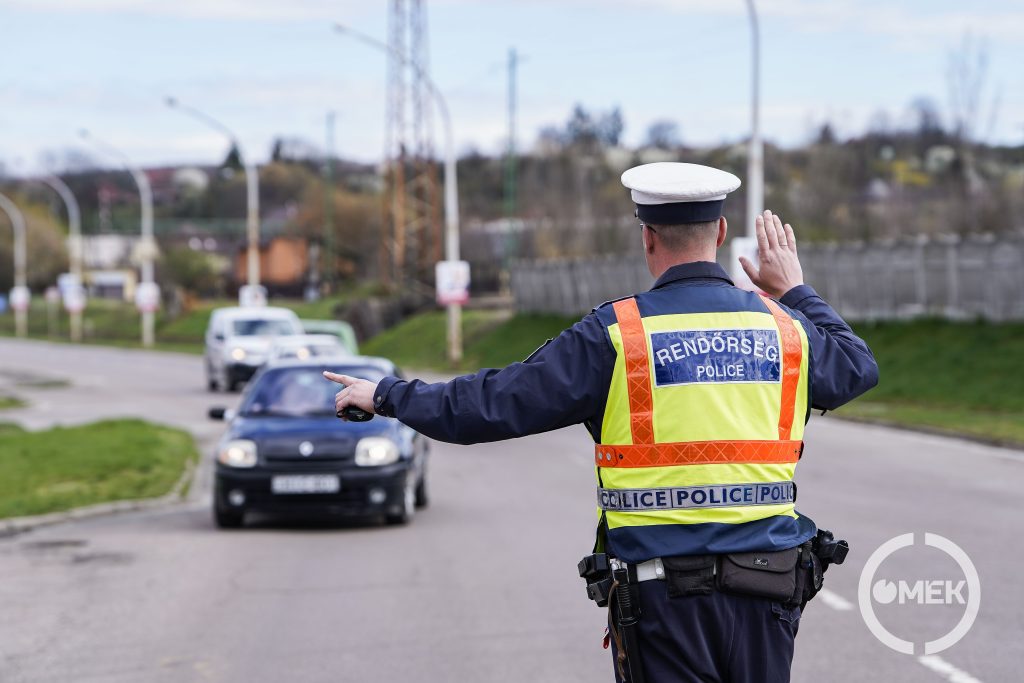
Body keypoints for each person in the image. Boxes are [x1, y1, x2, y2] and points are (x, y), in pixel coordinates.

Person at [325, 162, 878, 682]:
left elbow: (493, 403)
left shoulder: (618, 333)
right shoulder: (786, 329)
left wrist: (388, 394)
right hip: (769, 588)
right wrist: (795, 291)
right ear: (721, 231)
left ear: (648, 237)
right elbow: (858, 366)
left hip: (665, 601)